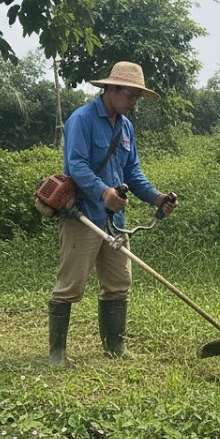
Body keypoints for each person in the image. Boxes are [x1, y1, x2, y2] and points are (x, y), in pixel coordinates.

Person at [47, 62, 178, 366]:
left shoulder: (126, 127)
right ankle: (57, 354)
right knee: (70, 286)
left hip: (115, 220)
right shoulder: (82, 120)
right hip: (82, 216)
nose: (134, 102)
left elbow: (132, 172)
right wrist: (103, 191)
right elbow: (76, 165)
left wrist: (156, 198)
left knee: (119, 283)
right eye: (131, 95)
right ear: (112, 89)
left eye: (136, 97)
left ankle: (114, 348)